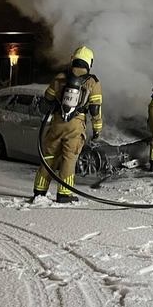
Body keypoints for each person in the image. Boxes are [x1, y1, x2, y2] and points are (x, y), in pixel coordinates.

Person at [33, 46, 103, 204]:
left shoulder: (59, 77)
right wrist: (97, 128)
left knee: (49, 156)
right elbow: (95, 109)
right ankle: (64, 193)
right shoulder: (92, 82)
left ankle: (40, 190)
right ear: (89, 62)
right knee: (69, 158)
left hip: (57, 122)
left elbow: (46, 103)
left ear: (73, 59)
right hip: (76, 124)